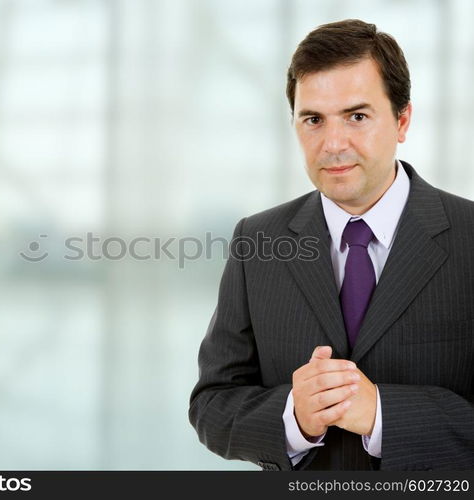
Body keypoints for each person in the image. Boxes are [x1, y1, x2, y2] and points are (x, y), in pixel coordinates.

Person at [188, 19, 474, 471]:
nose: (333, 144)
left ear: (402, 121)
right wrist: (295, 418)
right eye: (313, 120)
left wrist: (382, 414)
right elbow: (212, 405)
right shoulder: (256, 242)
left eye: (357, 116)